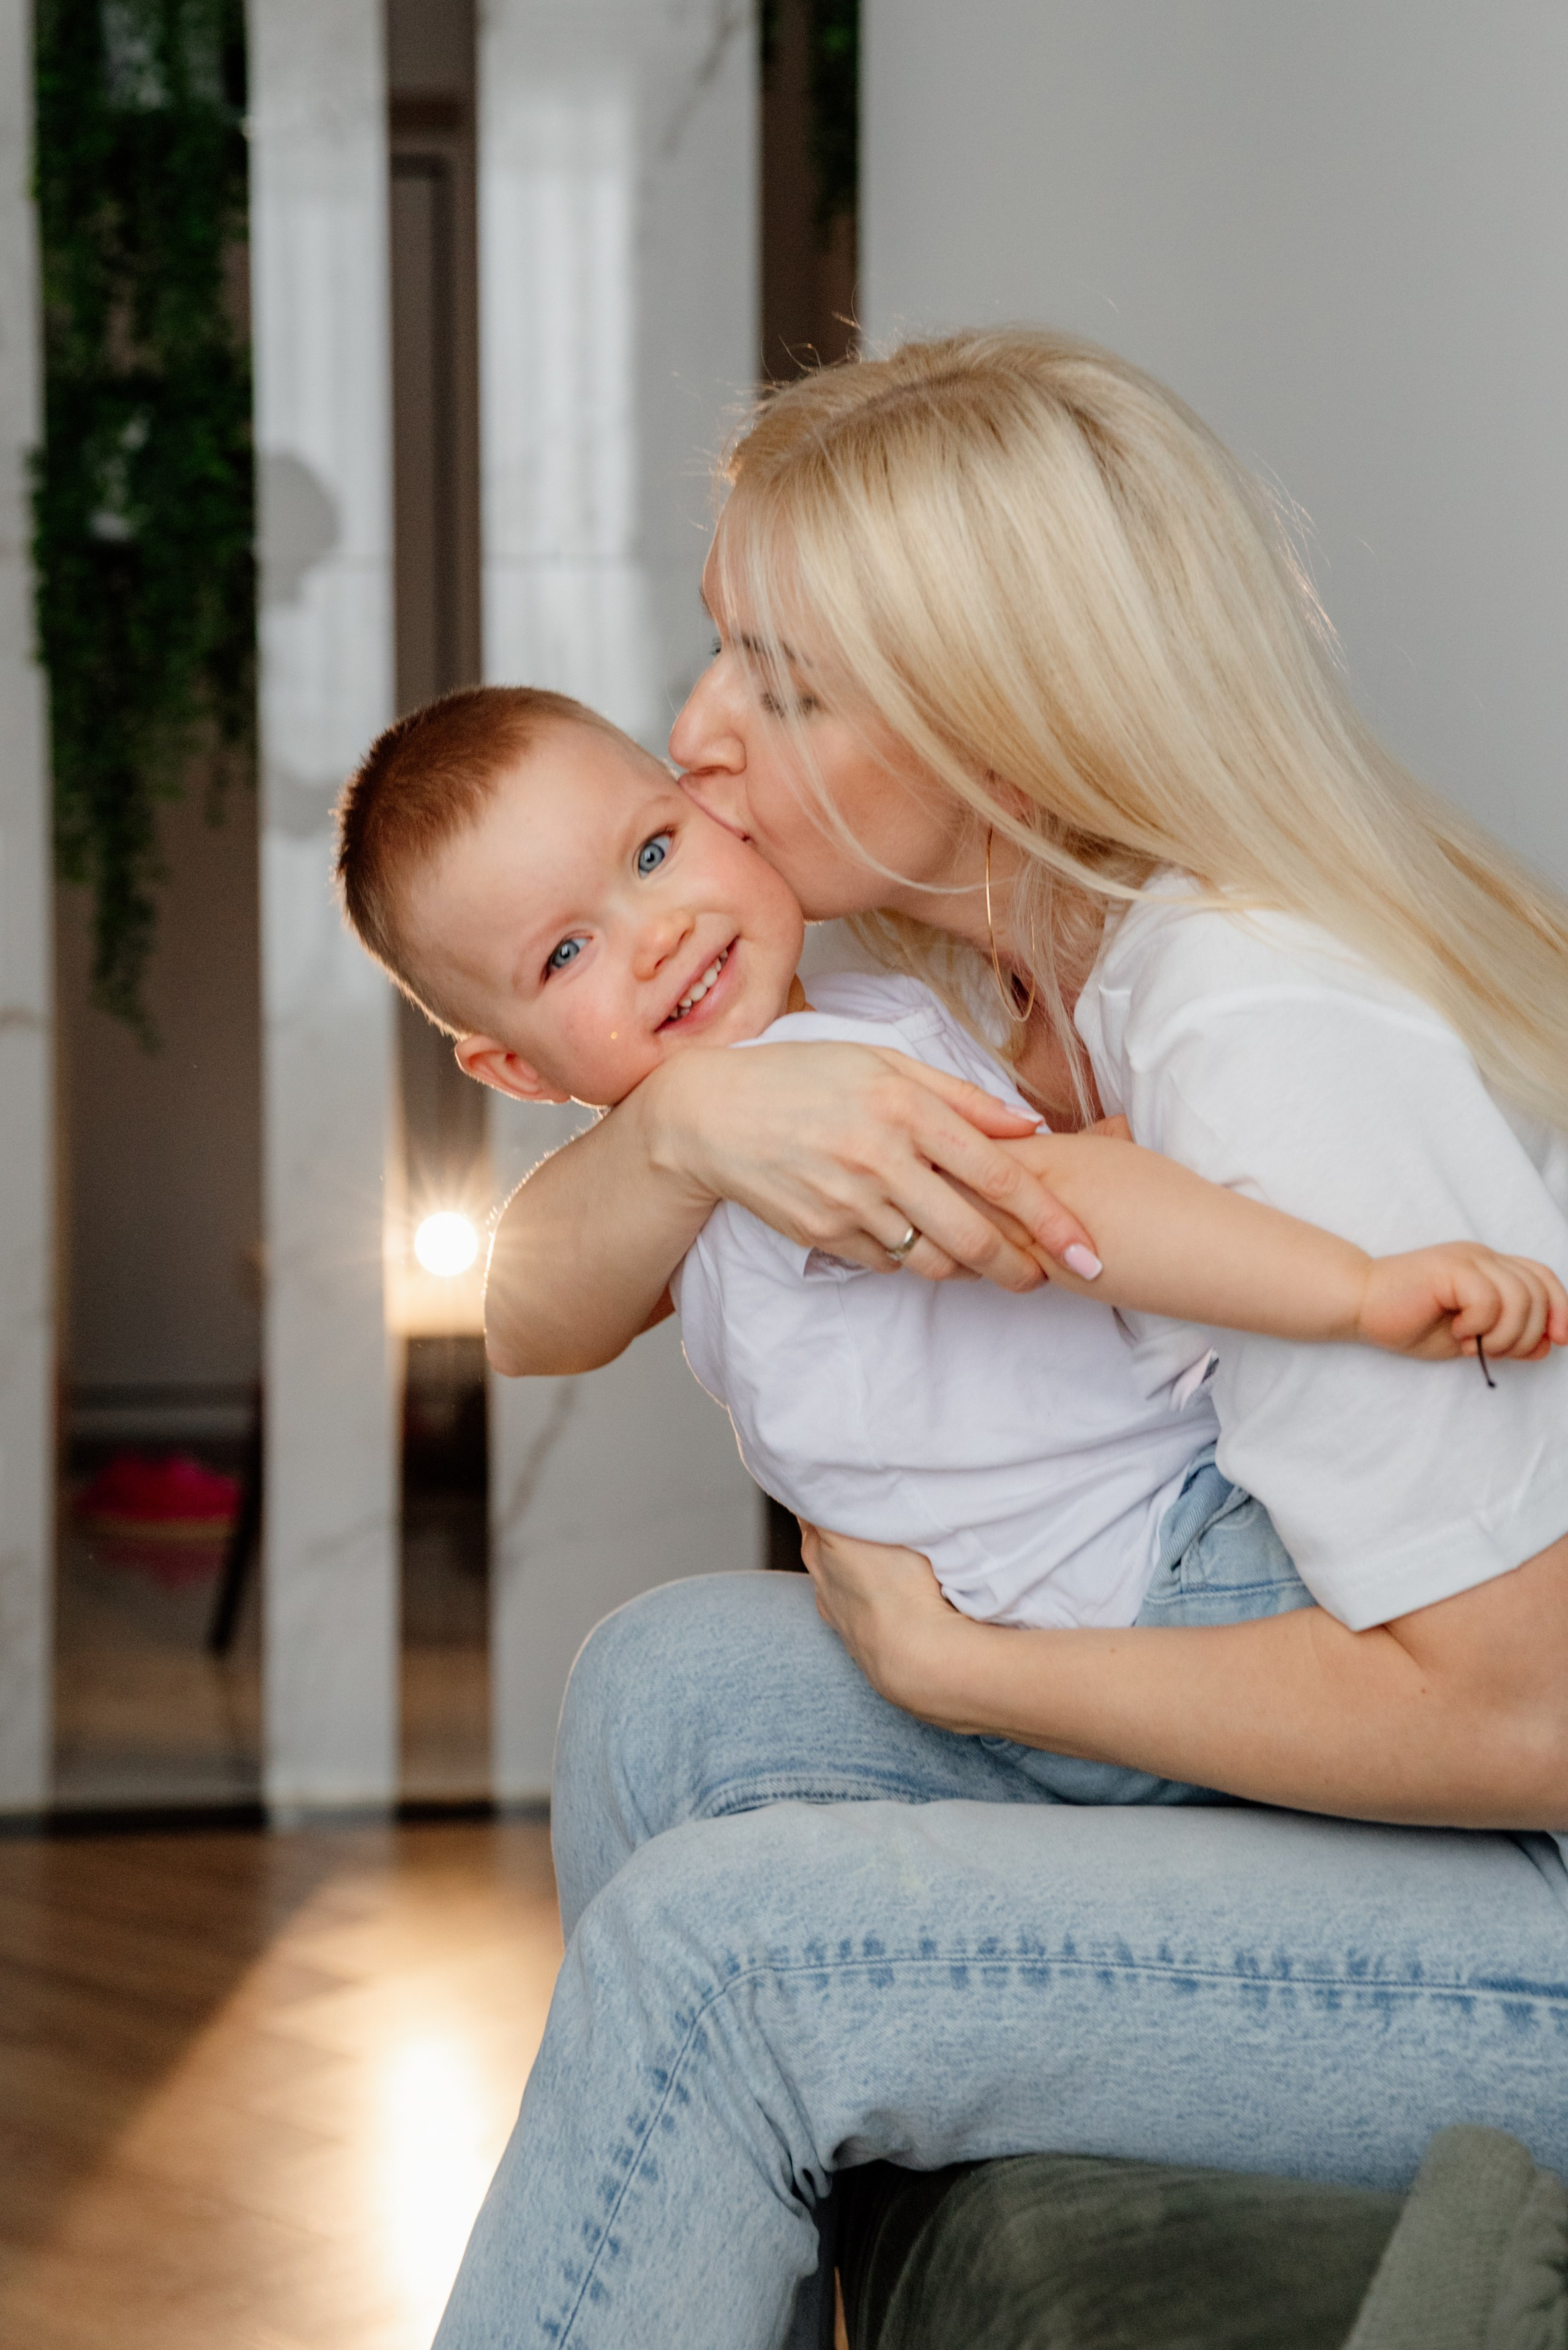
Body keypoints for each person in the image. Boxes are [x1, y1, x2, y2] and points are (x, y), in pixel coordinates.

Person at [441, 334, 1568, 2349]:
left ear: (1003, 736)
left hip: (1537, 1900)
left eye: (784, 688)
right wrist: (686, 1125)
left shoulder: (1252, 1027)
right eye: (717, 652)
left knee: (731, 1961)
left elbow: (1524, 1717)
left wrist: (976, 1668)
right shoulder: (936, 974)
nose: (694, 738)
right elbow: (523, 1307)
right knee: (664, 1686)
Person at [337, 684, 1562, 1663]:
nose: (654, 932)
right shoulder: (792, 1115)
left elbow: (1056, 1172)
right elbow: (1063, 1209)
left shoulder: (822, 1050)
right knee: (1471, 1592)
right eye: (565, 952)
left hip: (1070, 1583)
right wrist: (1357, 1285)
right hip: (1146, 1574)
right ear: (515, 1070)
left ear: (708, 812)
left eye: (652, 852)